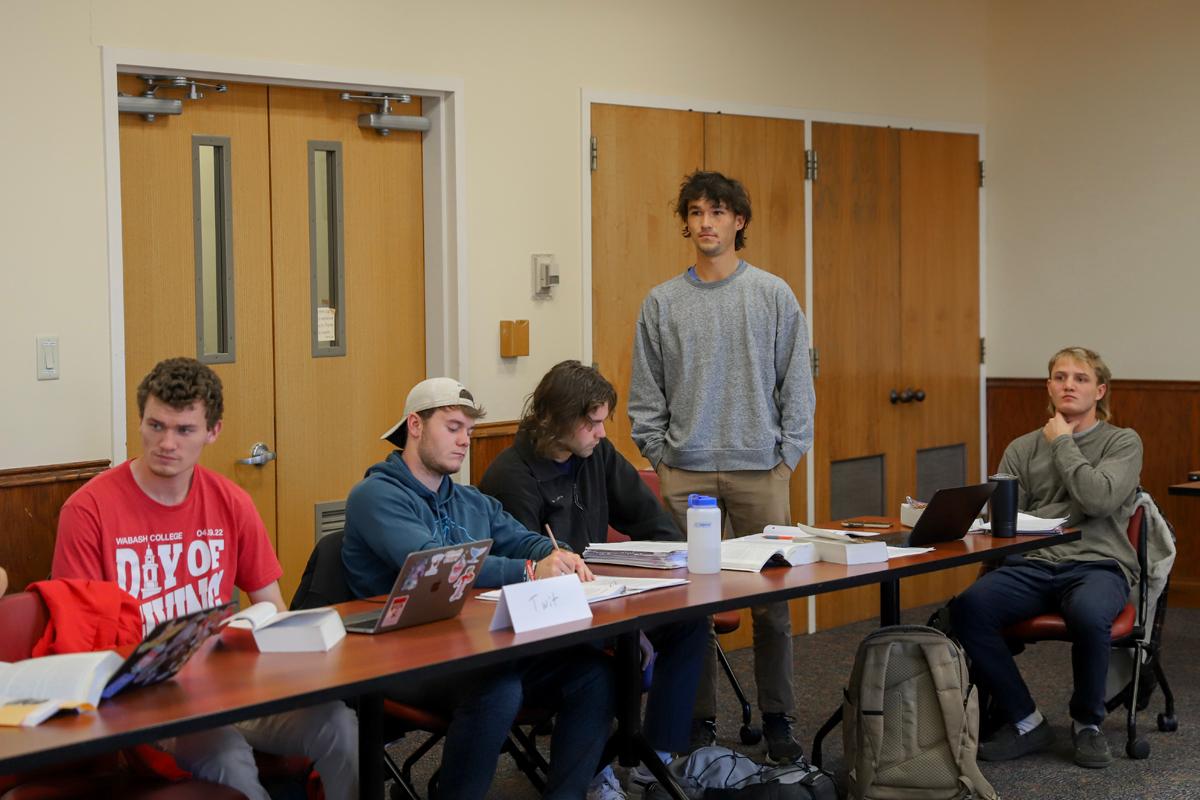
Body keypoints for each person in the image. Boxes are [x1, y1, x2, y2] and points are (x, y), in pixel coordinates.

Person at [52, 357, 358, 800]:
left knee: (340, 725)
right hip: (145, 704)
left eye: (184, 430)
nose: (166, 443)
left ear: (213, 432)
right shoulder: (88, 510)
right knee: (226, 754)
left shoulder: (231, 501)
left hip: (231, 687)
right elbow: (77, 644)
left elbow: (271, 607)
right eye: (156, 426)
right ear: (140, 422)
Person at [342, 377, 615, 800]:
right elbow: (437, 565)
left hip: (474, 647)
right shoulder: (375, 496)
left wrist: (555, 554)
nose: (464, 441)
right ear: (415, 425)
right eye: (453, 428)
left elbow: (520, 538)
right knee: (497, 689)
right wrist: (531, 571)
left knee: (593, 674)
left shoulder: (469, 500)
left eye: (469, 431)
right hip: (403, 657)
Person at [627, 170, 814, 762]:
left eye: (717, 212)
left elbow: (797, 385)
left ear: (739, 222)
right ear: (686, 223)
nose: (705, 222)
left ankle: (779, 717)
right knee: (693, 606)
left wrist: (786, 459)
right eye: (696, 212)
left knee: (772, 604)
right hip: (684, 474)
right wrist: (661, 457)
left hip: (761, 471)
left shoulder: (773, 294)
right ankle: (697, 719)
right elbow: (645, 394)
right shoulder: (661, 302)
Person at [479, 360, 709, 795]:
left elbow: (648, 519)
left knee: (689, 620)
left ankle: (656, 754)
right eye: (592, 423)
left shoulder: (596, 454)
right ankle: (596, 766)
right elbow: (524, 571)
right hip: (551, 619)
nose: (602, 433)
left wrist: (679, 564)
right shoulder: (511, 476)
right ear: (557, 419)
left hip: (603, 598)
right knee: (603, 660)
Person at [951, 346, 1142, 769]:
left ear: (1100, 391)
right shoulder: (1021, 448)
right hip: (1032, 563)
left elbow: (1097, 499)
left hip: (1097, 563)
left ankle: (1087, 724)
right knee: (968, 608)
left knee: (1089, 612)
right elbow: (1003, 521)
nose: (1068, 385)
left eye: (1080, 378)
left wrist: (1063, 444)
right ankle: (1025, 720)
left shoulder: (1122, 442)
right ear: (1049, 387)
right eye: (1060, 377)